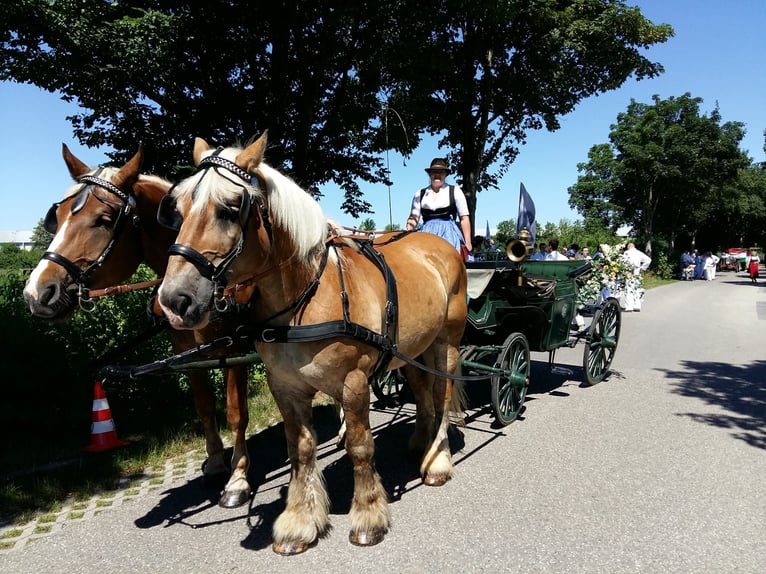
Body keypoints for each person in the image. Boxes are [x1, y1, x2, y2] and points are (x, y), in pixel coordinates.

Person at [405, 157, 472, 258]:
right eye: (434, 172)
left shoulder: (455, 191)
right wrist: (407, 230)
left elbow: (464, 218)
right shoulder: (420, 194)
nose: (437, 175)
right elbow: (414, 218)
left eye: (440, 172)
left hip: (449, 234)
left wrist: (468, 242)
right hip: (426, 234)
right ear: (429, 174)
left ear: (445, 174)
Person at [621, 242, 651, 312]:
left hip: (629, 272)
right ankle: (637, 306)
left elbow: (623, 262)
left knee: (629, 289)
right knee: (637, 288)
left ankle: (629, 307)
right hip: (637, 271)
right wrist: (642, 268)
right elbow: (648, 260)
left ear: (628, 247)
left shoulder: (626, 253)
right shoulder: (639, 253)